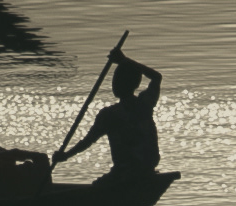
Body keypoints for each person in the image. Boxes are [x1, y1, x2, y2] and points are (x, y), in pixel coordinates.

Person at [59, 46, 162, 180]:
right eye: (115, 79)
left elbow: (88, 141)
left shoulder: (110, 115)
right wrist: (124, 61)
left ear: (133, 84)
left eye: (118, 80)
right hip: (145, 168)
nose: (114, 83)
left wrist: (124, 60)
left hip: (128, 171)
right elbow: (156, 77)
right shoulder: (144, 104)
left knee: (97, 189)